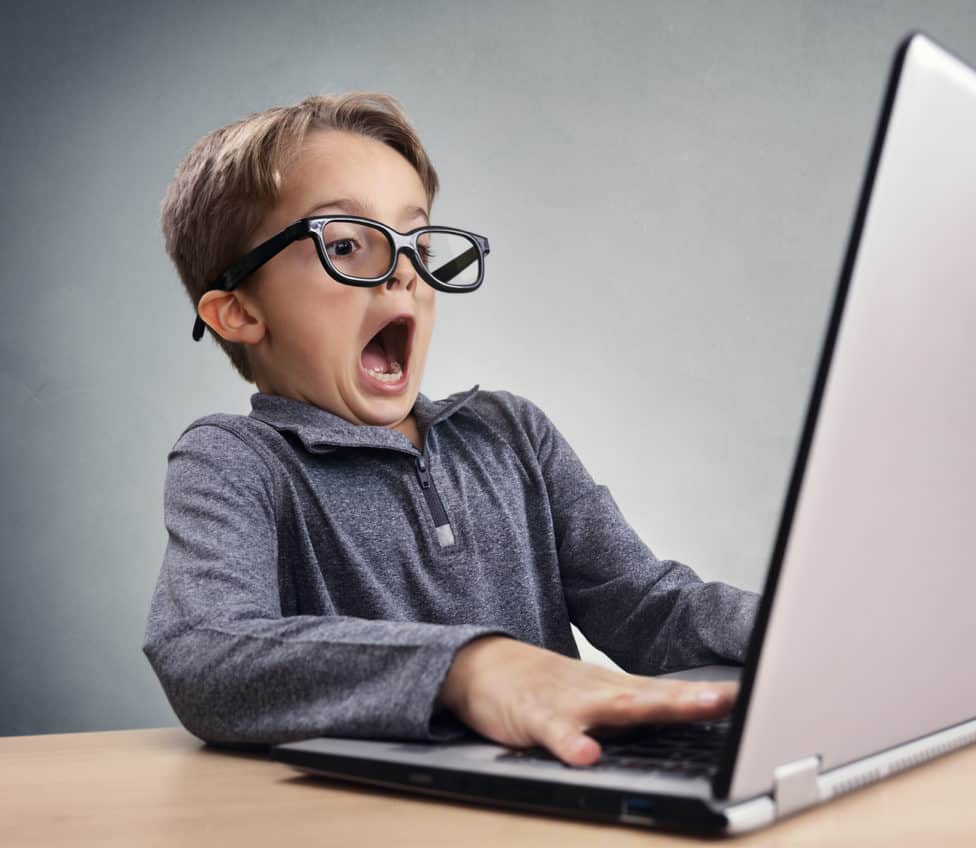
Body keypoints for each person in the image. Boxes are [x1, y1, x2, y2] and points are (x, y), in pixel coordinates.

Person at [142, 91, 760, 767]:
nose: (406, 272)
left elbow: (649, 608)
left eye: (421, 243)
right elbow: (205, 650)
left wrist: (789, 632)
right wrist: (469, 670)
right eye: (347, 244)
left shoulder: (512, 432)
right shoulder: (236, 461)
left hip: (561, 793)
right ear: (238, 313)